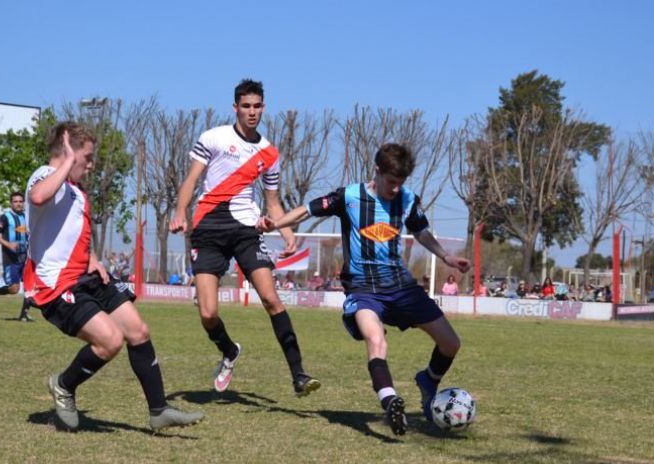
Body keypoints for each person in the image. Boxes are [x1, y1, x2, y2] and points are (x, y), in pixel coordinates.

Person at [258, 143, 470, 436]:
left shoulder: (408, 199)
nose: (396, 189)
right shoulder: (349, 197)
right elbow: (305, 211)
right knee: (376, 339)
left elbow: (420, 231)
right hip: (362, 287)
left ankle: (428, 381)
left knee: (451, 343)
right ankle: (390, 400)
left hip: (400, 285)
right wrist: (274, 224)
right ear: (378, 171)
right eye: (391, 182)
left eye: (401, 183)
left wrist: (447, 257)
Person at [25, 122, 203, 432]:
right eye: (87, 157)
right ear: (67, 152)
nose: (91, 165)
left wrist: (93, 259)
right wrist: (67, 162)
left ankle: (158, 409)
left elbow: (67, 233)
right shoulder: (44, 175)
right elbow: (39, 197)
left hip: (86, 277)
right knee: (109, 341)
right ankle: (64, 385)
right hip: (57, 286)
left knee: (138, 330)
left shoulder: (76, 193)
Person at [170, 79, 320, 397]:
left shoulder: (269, 153)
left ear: (264, 108)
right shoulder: (214, 138)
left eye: (257, 106)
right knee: (208, 313)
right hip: (209, 229)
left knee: (271, 298)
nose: (252, 112)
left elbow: (273, 202)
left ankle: (299, 375)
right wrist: (180, 211)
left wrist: (286, 232)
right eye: (246, 106)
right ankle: (228, 351)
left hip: (246, 231)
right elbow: (192, 179)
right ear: (235, 107)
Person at [0, 192, 35, 322]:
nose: (18, 203)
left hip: (25, 258)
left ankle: (24, 314)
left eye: (20, 201)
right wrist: (9, 244)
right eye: (15, 201)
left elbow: (28, 233)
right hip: (10, 258)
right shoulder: (6, 217)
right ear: (11, 203)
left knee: (30, 286)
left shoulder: (26, 217)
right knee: (14, 289)